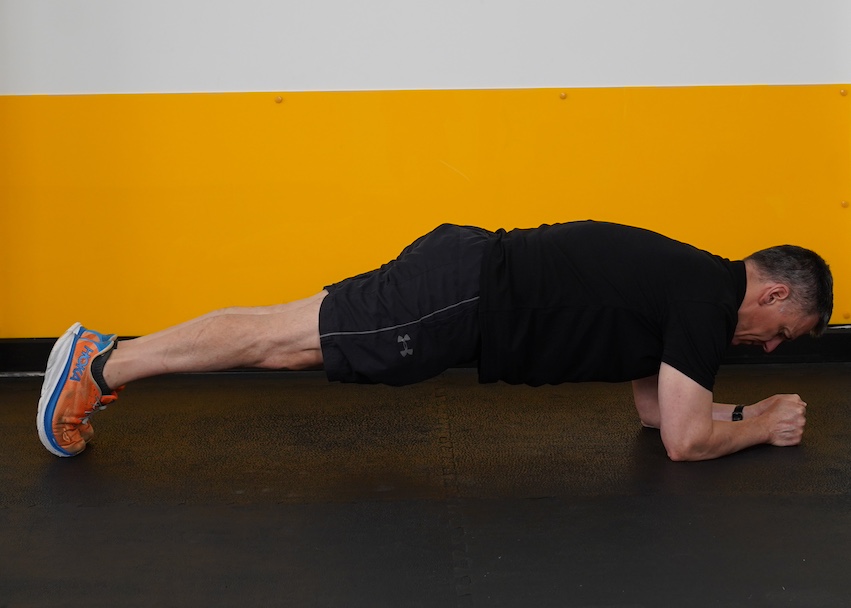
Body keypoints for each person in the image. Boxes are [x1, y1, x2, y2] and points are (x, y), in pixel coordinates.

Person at [37, 220, 833, 462]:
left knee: (285, 337)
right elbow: (685, 442)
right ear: (768, 292)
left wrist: (739, 416)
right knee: (282, 342)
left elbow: (660, 415)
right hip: (463, 296)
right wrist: (761, 420)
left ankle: (108, 359)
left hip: (460, 285)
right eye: (781, 333)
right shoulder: (705, 296)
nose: (766, 349)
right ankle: (102, 362)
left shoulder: (688, 289)